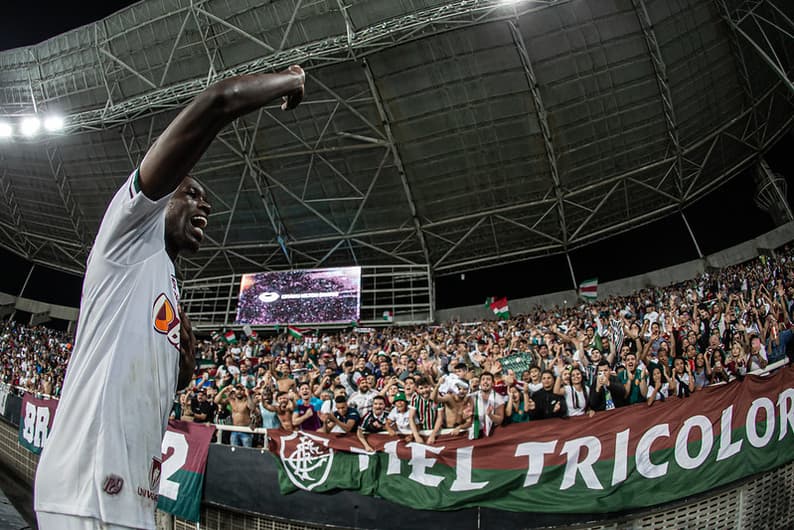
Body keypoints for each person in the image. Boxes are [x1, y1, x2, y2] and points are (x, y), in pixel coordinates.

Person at [35, 66, 306, 530]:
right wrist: (290, 79)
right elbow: (218, 102)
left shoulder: (165, 280)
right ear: (158, 200)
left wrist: (183, 361)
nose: (205, 206)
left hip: (129, 495)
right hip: (87, 491)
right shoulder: (128, 235)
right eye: (192, 194)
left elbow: (167, 380)